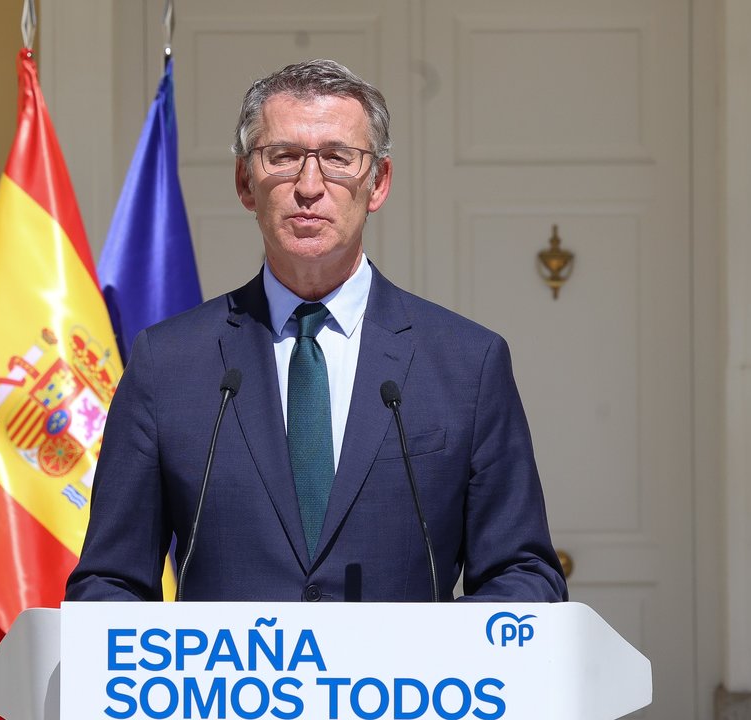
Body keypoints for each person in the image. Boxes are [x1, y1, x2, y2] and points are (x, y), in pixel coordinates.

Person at [65, 59, 566, 603]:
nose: (309, 186)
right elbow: (109, 584)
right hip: (225, 687)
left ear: (378, 183)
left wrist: (435, 657)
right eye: (282, 158)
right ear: (244, 182)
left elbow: (524, 577)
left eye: (336, 158)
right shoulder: (168, 364)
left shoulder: (468, 363)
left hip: (402, 686)